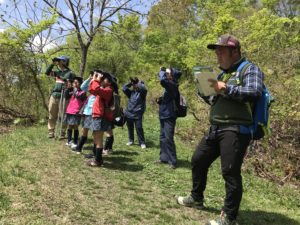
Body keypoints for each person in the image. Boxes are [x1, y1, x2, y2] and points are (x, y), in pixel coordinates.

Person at [177, 34, 264, 225]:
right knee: (198, 160)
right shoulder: (222, 74)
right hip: (216, 127)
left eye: (221, 50)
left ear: (235, 52)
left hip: (236, 129)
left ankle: (229, 217)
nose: (217, 54)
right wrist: (205, 91)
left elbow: (254, 92)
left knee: (230, 171)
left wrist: (225, 89)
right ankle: (197, 198)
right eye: (216, 50)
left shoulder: (250, 69)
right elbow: (215, 100)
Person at [86, 71, 114, 167]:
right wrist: (94, 79)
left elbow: (96, 89)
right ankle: (97, 158)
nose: (102, 79)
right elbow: (91, 89)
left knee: (98, 139)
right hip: (97, 116)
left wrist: (96, 80)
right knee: (96, 136)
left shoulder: (108, 90)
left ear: (109, 82)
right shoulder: (102, 89)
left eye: (104, 78)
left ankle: (98, 161)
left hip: (100, 117)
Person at [156, 67, 181, 169]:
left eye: (168, 73)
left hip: (169, 116)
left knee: (168, 138)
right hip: (164, 114)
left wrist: (161, 71)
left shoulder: (173, 85)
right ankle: (164, 158)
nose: (166, 74)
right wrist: (161, 101)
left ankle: (172, 161)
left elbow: (162, 80)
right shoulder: (169, 86)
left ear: (172, 75)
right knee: (163, 138)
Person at [45, 55, 75, 139]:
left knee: (63, 115)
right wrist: (52, 64)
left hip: (64, 96)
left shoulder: (70, 73)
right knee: (51, 114)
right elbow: (47, 72)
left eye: (60, 60)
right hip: (54, 95)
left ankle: (62, 132)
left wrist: (60, 77)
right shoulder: (56, 72)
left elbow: (68, 80)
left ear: (65, 62)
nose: (58, 62)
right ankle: (51, 132)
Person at [71, 71, 96, 155]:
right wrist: (89, 78)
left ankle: (95, 152)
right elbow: (82, 86)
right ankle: (79, 148)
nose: (94, 77)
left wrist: (96, 80)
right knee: (84, 130)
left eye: (95, 75)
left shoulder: (99, 86)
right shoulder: (92, 84)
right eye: (93, 75)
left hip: (95, 112)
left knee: (95, 133)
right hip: (87, 111)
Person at [122, 77, 147, 149]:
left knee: (139, 128)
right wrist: (130, 83)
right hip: (129, 113)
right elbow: (124, 88)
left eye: (136, 84)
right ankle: (131, 140)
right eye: (134, 85)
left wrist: (138, 83)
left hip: (138, 114)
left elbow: (143, 89)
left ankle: (142, 142)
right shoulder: (131, 93)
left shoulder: (142, 94)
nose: (134, 86)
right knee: (130, 127)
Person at [64, 76, 86, 147]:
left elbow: (80, 97)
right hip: (69, 111)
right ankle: (69, 141)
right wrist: (67, 89)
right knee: (69, 126)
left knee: (75, 127)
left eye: (76, 82)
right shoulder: (71, 90)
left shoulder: (82, 92)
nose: (74, 84)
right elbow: (66, 96)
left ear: (80, 84)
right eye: (74, 82)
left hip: (76, 112)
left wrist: (75, 90)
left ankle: (75, 142)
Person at [103, 73, 119, 155]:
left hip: (108, 113)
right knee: (110, 131)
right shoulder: (114, 91)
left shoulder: (109, 90)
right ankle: (110, 148)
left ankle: (105, 149)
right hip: (112, 114)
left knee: (108, 132)